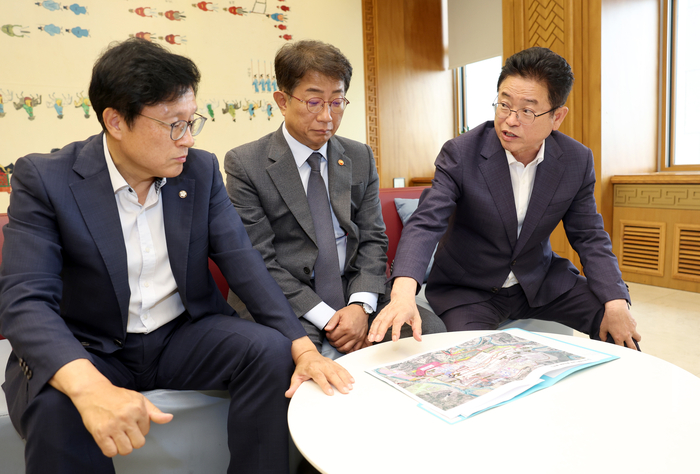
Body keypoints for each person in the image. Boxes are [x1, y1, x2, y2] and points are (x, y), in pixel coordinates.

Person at [0, 38, 353, 474]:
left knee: (270, 351)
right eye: (173, 125)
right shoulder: (46, 178)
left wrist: (303, 349)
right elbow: (24, 299)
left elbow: (244, 263)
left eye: (192, 122)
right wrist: (89, 387)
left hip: (178, 338)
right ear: (115, 121)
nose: (187, 139)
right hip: (87, 345)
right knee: (59, 405)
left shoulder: (200, 171)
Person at [368, 47, 641, 350]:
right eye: (504, 105)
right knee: (474, 365)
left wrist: (616, 303)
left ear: (557, 117)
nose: (510, 120)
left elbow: (589, 236)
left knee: (616, 323)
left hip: (541, 282)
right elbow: (425, 223)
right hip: (470, 289)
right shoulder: (460, 154)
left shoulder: (576, 160)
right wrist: (403, 294)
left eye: (527, 110)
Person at [225, 40, 445, 357]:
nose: (328, 116)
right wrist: (329, 318)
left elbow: (373, 238)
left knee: (429, 335)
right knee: (291, 365)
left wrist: (361, 306)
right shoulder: (246, 163)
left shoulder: (359, 156)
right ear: (282, 100)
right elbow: (257, 261)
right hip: (284, 298)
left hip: (353, 289)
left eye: (337, 102)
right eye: (314, 102)